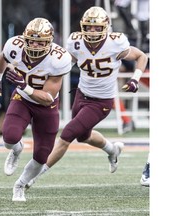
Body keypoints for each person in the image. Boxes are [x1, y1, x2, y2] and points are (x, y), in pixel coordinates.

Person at [25, 6, 149, 189]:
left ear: (106, 27)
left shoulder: (115, 43)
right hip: (81, 95)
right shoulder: (76, 42)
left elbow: (141, 56)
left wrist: (135, 79)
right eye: (89, 27)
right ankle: (112, 150)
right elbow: (65, 63)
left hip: (101, 102)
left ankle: (33, 176)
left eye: (97, 27)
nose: (92, 31)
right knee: (84, 137)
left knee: (66, 135)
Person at [0, 17, 72, 202]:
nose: (34, 45)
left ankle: (20, 185)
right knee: (9, 138)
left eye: (40, 41)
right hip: (22, 99)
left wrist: (23, 84)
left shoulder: (59, 58)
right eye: (31, 40)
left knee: (42, 155)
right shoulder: (14, 45)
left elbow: (47, 97)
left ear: (49, 42)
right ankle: (17, 149)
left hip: (46, 105)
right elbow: (3, 56)